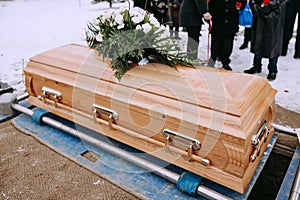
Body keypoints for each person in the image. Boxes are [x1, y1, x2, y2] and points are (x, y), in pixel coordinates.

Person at [244, 0, 286, 81]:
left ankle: (272, 70)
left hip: (274, 13)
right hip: (259, 12)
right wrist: (254, 5)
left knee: (273, 43)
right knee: (258, 40)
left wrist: (271, 5)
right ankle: (256, 65)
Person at [207, 0, 247, 70]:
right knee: (215, 43)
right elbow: (210, 5)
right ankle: (212, 60)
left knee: (228, 44)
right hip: (218, 20)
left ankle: (225, 61)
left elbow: (242, 3)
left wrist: (238, 7)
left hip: (231, 20)